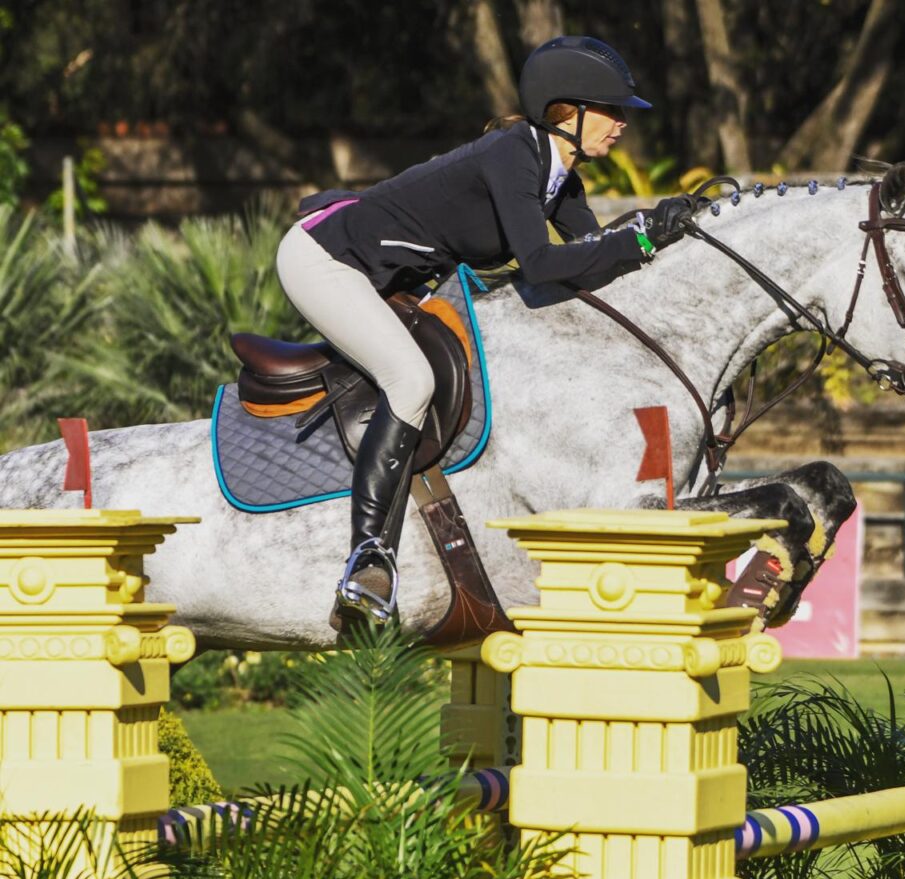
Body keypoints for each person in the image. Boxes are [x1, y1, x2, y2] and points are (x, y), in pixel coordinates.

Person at [276, 35, 694, 630]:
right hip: (326, 260)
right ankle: (369, 558)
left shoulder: (560, 177)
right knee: (410, 379)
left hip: (385, 275)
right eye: (611, 109)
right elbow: (543, 264)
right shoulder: (513, 156)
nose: (622, 124)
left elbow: (595, 257)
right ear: (565, 112)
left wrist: (659, 229)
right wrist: (642, 239)